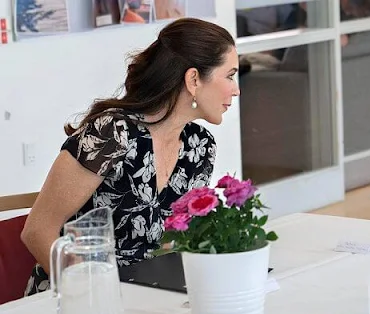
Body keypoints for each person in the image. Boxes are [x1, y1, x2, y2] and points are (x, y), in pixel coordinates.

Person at [21, 18, 240, 295]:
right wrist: (93, 297)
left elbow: (177, 240)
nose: (236, 89)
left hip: (146, 294)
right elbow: (38, 231)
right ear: (194, 79)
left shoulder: (199, 147)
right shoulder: (111, 133)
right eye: (230, 75)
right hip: (75, 298)